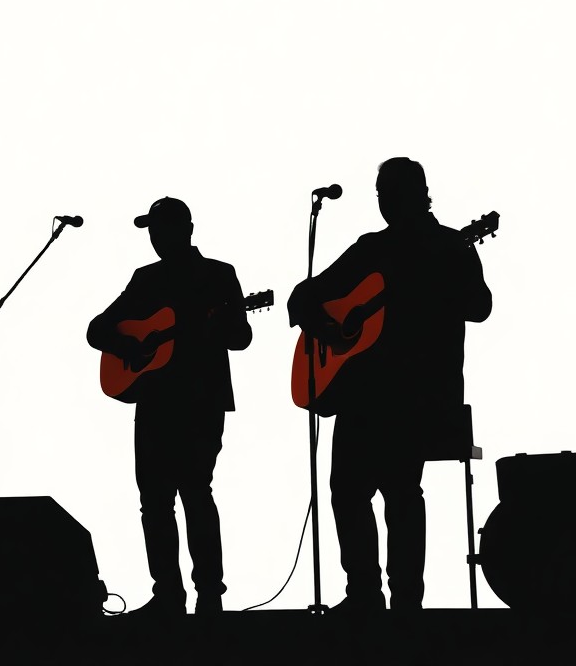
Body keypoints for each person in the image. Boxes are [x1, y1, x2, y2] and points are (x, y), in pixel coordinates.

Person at [287, 158, 492, 612]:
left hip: (416, 394)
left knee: (400, 494)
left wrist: (440, 288)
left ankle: (405, 603)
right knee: (347, 491)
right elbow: (303, 297)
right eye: (380, 192)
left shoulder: (450, 246)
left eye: (390, 192)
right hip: (361, 392)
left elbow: (479, 306)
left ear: (418, 193)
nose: (383, 201)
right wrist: (329, 328)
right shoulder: (370, 249)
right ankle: (364, 594)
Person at [87, 197, 253, 617]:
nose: (155, 238)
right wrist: (130, 343)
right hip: (156, 402)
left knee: (195, 492)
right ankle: (168, 596)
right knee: (155, 501)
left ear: (187, 229)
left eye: (161, 228)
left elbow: (241, 337)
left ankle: (209, 595)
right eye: (151, 231)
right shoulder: (146, 279)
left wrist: (224, 323)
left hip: (200, 401)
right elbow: (97, 329)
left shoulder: (218, 275)